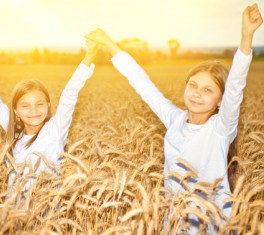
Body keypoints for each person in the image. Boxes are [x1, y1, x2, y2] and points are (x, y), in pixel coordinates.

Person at [85, 3, 263, 233]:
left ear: (221, 100)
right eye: (193, 85)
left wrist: (246, 36)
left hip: (213, 222)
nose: (198, 93)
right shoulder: (174, 119)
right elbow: (143, 84)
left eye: (208, 90)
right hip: (176, 220)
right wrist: (110, 44)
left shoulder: (221, 128)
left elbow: (236, 85)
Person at [0, 40, 98, 192]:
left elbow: (69, 94)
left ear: (48, 105)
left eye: (39, 104)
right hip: (13, 212)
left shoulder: (55, 131)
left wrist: (89, 56)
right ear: (15, 111)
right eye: (25, 106)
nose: (33, 111)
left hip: (48, 212)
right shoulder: (13, 131)